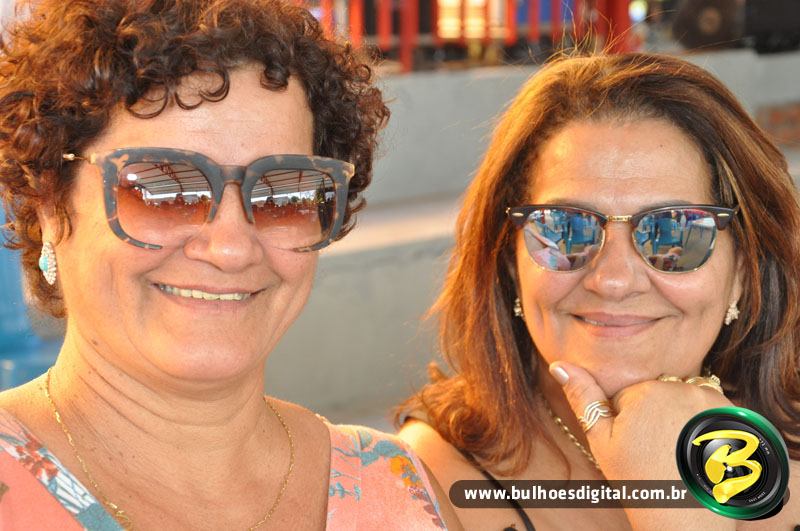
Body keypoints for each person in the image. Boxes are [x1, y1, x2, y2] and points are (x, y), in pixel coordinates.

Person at [0, 1, 453, 529]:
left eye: (283, 195)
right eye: (164, 189)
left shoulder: (399, 488)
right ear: (51, 206)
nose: (232, 249)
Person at [398, 53, 800, 530]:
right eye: (565, 229)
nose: (613, 281)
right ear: (510, 263)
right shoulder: (422, 485)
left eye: (674, 231)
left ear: (743, 272)